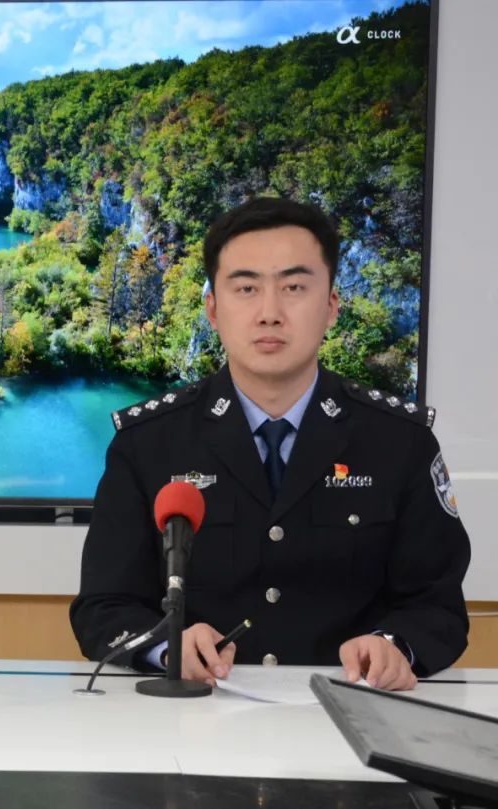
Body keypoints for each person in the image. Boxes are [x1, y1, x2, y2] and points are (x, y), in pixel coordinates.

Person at [70, 197, 470, 691]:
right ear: (213, 309)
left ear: (331, 306)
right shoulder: (147, 443)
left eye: (294, 287)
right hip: (191, 713)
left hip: (353, 706)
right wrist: (168, 647)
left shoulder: (399, 441)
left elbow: (437, 605)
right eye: (246, 288)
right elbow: (103, 607)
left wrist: (393, 644)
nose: (270, 313)